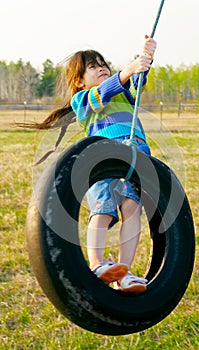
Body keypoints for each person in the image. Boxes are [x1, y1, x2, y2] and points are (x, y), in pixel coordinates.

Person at [27, 36, 157, 292]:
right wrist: (127, 70)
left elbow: (137, 83)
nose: (101, 68)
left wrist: (146, 57)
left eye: (103, 64)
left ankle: (124, 274)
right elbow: (105, 90)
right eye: (93, 66)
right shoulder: (84, 100)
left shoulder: (124, 97)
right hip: (103, 158)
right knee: (104, 208)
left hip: (136, 155)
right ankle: (97, 263)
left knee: (132, 208)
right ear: (79, 81)